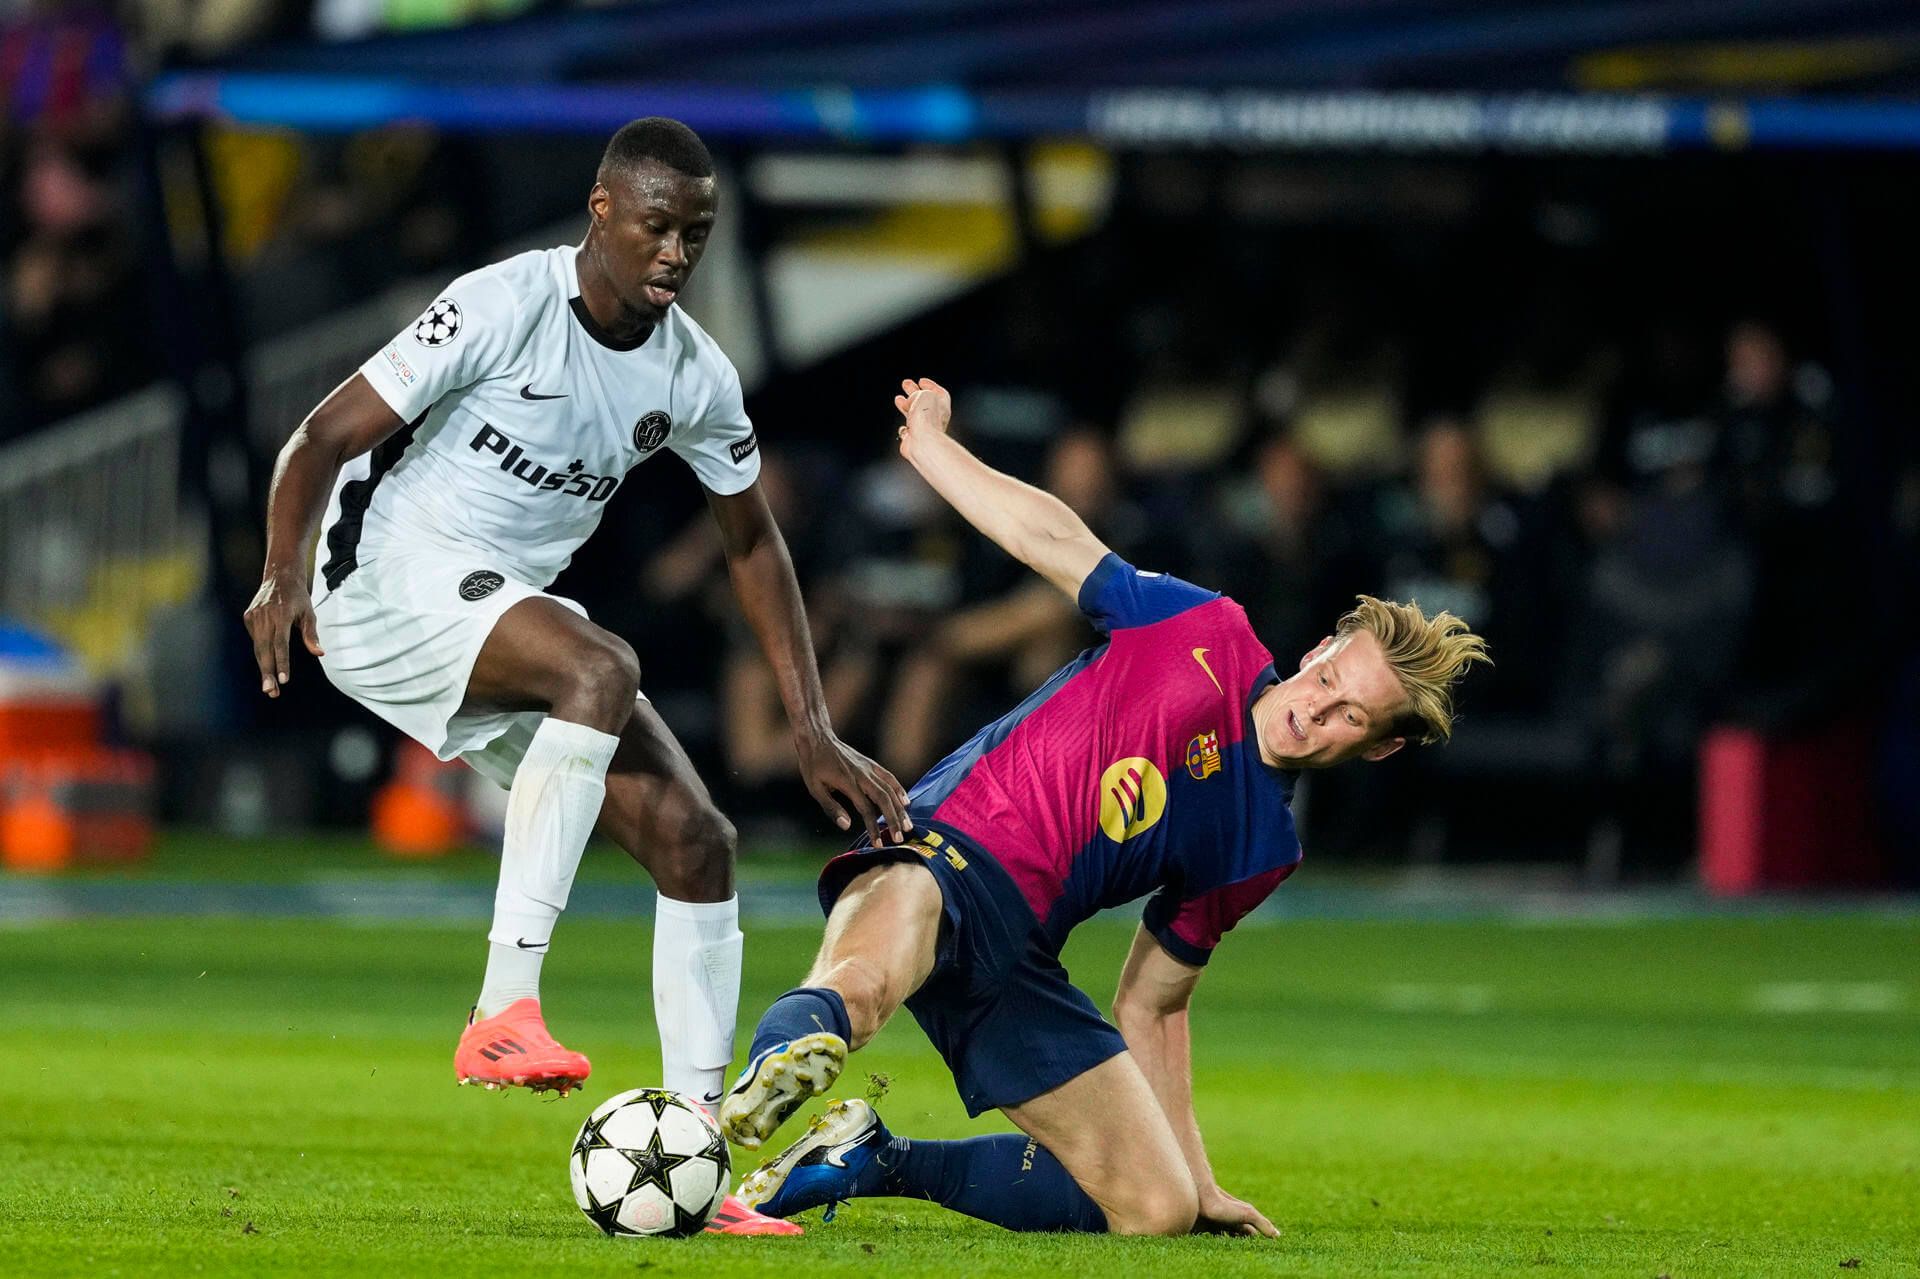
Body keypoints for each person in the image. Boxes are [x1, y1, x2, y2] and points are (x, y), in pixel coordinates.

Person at [241, 118, 908, 1235]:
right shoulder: (503, 303)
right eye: (657, 225)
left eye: (695, 234)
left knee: (698, 842)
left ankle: (700, 1159)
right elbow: (320, 435)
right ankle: (503, 1006)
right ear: (602, 210)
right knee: (600, 666)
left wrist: (811, 723)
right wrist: (279, 578)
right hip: (377, 583)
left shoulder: (694, 370)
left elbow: (753, 542)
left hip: (496, 616)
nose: (675, 254)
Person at [718, 378, 1488, 1237]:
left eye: (1352, 715)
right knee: (860, 991)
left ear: (1378, 745)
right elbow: (1053, 536)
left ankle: (868, 1155)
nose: (1319, 708)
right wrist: (934, 446)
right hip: (941, 849)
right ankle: (762, 1083)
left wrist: (1202, 1182)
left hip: (1018, 957)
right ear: (1317, 649)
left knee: (1156, 1208)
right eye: (1330, 677)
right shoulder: (1209, 631)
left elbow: (1154, 1002)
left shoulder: (1262, 846)